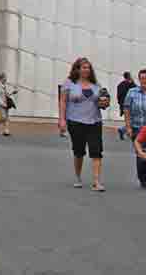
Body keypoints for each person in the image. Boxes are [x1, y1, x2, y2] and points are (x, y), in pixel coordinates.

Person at [58, 56, 109, 191]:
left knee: (96, 151)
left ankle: (96, 181)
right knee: (79, 151)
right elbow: (63, 102)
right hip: (75, 121)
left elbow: (102, 102)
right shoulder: (69, 83)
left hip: (94, 121)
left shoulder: (96, 86)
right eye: (84, 67)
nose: (87, 70)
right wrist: (62, 119)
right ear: (78, 69)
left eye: (88, 67)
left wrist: (104, 103)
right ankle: (78, 177)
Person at [115, 71, 135, 140]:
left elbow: (118, 96)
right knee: (134, 120)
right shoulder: (132, 85)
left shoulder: (120, 85)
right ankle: (123, 129)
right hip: (131, 105)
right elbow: (137, 93)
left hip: (123, 105)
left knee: (128, 119)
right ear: (129, 76)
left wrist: (120, 104)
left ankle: (124, 130)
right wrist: (132, 81)